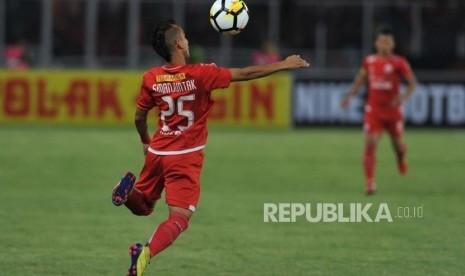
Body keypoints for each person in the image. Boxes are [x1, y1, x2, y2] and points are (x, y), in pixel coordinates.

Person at [111, 19, 309, 275]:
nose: (188, 41)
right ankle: (145, 252)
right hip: (184, 156)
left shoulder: (151, 77)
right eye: (185, 37)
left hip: (158, 151)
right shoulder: (201, 74)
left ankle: (126, 194)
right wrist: (283, 64)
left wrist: (145, 142)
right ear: (179, 43)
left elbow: (139, 117)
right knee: (179, 218)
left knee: (144, 206)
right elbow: (246, 74)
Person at [341, 26, 417, 195]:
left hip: (393, 111)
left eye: (387, 42)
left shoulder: (399, 63)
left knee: (397, 145)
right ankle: (370, 183)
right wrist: (349, 96)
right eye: (382, 41)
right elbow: (360, 79)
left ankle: (401, 157)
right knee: (371, 143)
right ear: (376, 43)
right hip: (374, 110)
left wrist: (403, 97)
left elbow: (412, 83)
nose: (384, 45)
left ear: (392, 45)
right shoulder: (369, 61)